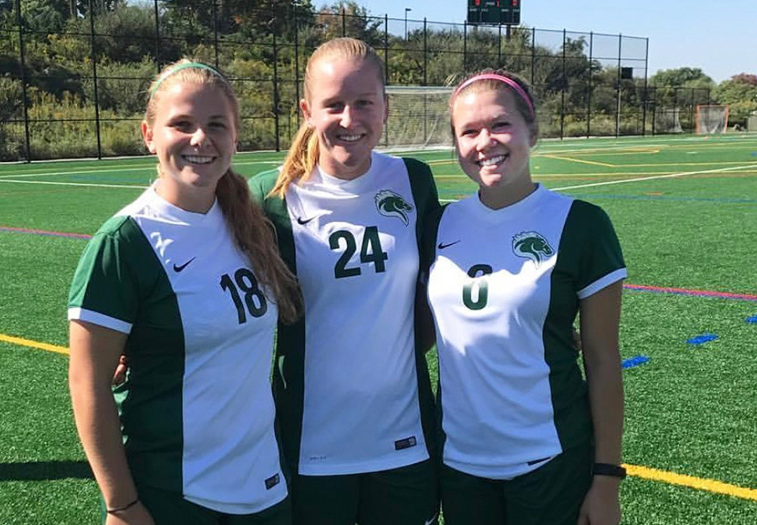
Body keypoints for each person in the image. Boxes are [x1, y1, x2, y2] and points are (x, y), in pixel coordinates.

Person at [68, 59, 300, 525]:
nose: (200, 139)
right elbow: (88, 384)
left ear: (235, 136)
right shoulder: (125, 243)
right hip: (173, 494)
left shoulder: (253, 225)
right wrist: (121, 504)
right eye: (182, 124)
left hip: (264, 487)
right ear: (149, 135)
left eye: (216, 125)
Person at [248, 38, 440, 525]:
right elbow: (209, 272)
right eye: (333, 104)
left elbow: (451, 270)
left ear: (386, 107)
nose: (349, 119)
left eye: (364, 103)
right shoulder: (271, 197)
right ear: (307, 111)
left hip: (405, 437)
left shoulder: (414, 181)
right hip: (310, 442)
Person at [423, 70, 626, 525]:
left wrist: (607, 478)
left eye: (500, 124)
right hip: (458, 463)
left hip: (551, 462)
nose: (485, 142)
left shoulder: (581, 223)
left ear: (532, 131)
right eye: (469, 131)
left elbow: (602, 359)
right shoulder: (436, 225)